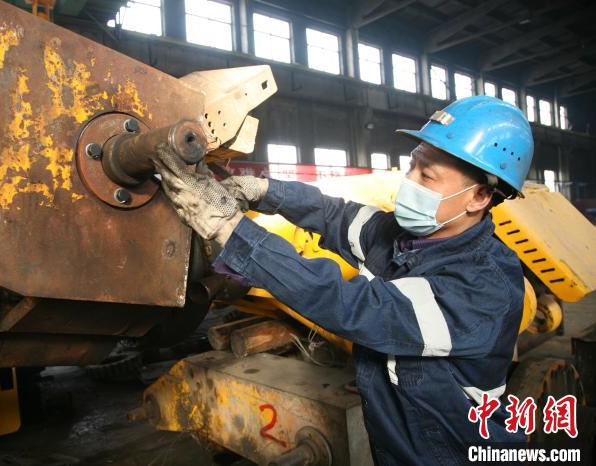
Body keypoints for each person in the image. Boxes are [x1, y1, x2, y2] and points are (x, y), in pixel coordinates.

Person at [152, 95, 534, 465]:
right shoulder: (405, 237)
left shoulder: (483, 287)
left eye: (427, 175)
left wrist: (229, 229)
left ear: (479, 196)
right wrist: (264, 191)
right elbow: (335, 215)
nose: (409, 182)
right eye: (412, 166)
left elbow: (351, 305)